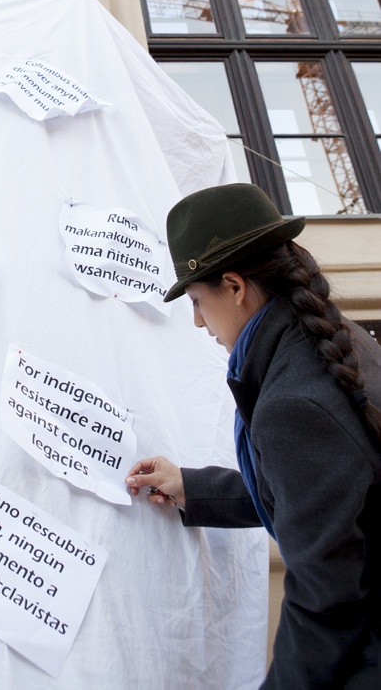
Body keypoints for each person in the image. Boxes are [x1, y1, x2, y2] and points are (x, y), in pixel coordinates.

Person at [125, 183, 381, 689]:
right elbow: (323, 492)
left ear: (236, 287)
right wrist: (193, 488)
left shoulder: (293, 402)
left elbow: (323, 599)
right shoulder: (340, 342)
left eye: (197, 300)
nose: (198, 322)